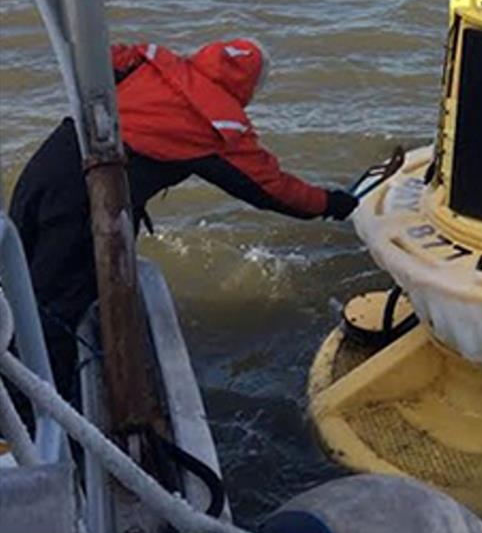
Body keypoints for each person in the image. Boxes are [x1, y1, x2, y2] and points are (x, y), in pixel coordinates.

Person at [9, 38, 358, 400]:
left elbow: (96, 56)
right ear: (249, 88)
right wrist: (331, 203)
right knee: (57, 306)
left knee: (13, 274)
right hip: (85, 203)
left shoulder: (152, 63)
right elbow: (271, 190)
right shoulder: (214, 125)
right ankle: (32, 412)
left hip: (47, 165)